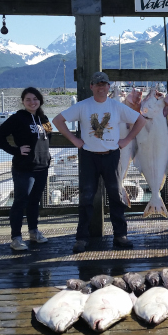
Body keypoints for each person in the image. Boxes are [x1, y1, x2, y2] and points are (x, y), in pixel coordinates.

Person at [52, 71, 146, 252]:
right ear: (91, 87)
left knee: (116, 197)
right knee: (86, 198)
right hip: (89, 156)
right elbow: (58, 120)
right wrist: (74, 140)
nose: (101, 87)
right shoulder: (82, 106)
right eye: (98, 84)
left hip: (112, 156)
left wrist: (126, 141)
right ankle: (82, 238)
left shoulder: (116, 106)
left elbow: (140, 120)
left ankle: (120, 235)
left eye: (104, 84)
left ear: (108, 86)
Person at [0, 87, 52, 251]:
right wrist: (15, 150)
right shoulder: (18, 118)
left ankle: (34, 232)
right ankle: (16, 238)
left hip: (42, 167)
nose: (32, 102)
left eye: (35, 99)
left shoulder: (44, 118)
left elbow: (48, 138)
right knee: (20, 201)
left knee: (34, 202)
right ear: (23, 102)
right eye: (28, 99)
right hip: (24, 168)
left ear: (40, 100)